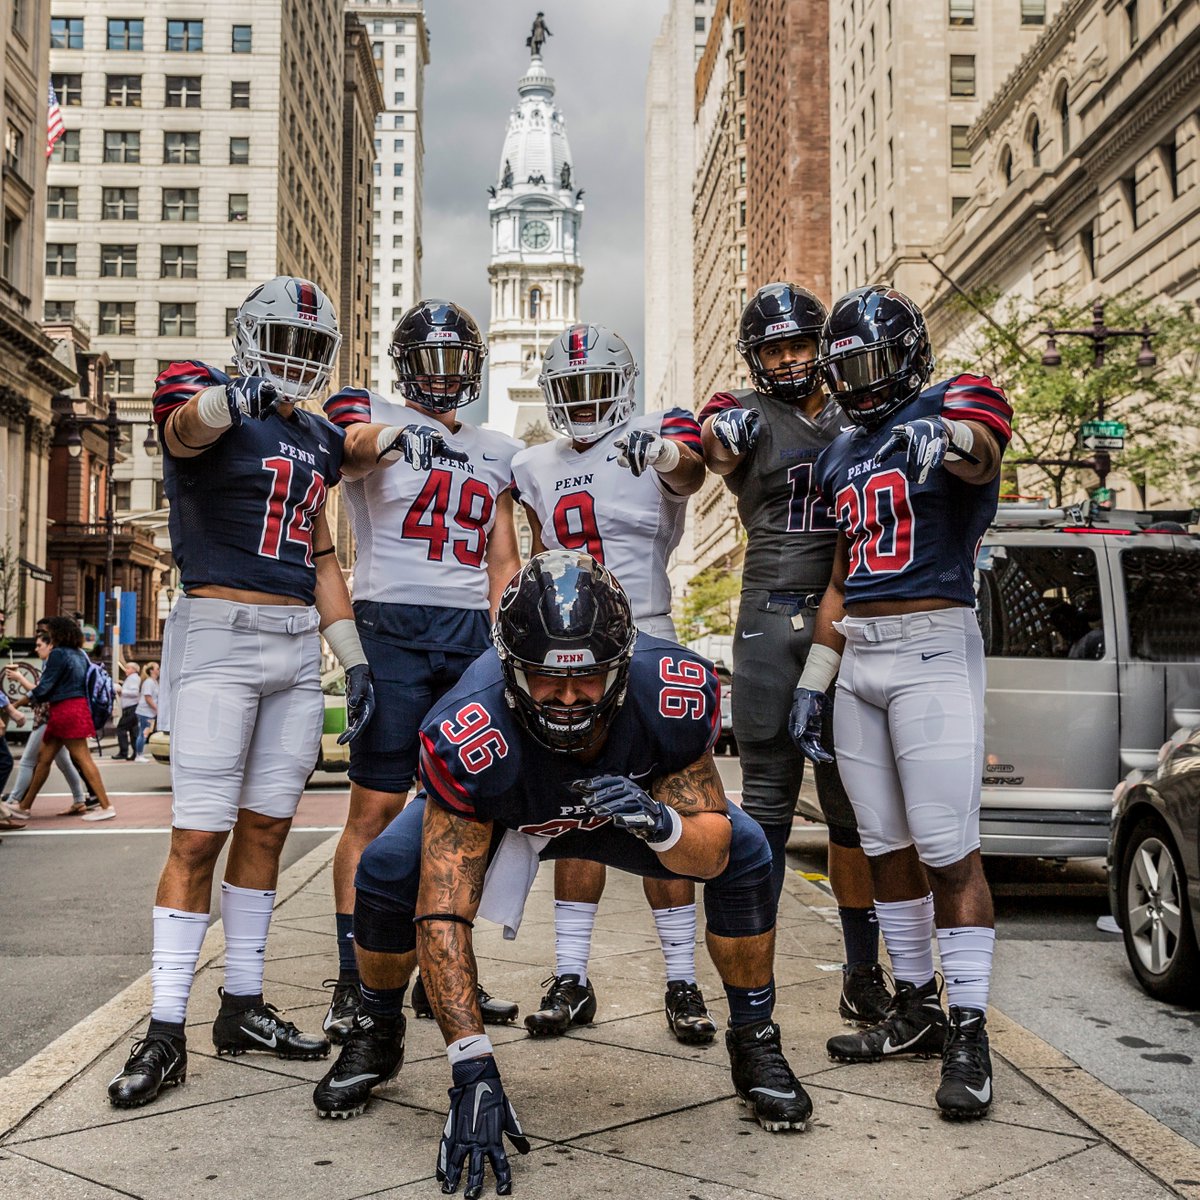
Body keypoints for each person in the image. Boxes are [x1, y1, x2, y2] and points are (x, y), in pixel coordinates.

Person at [312, 552, 813, 1194]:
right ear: (511, 667)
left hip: (623, 811)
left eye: (588, 678)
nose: (570, 698)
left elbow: (711, 855)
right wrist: (471, 1064)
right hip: (510, 810)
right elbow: (443, 913)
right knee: (386, 871)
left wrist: (663, 824)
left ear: (622, 666)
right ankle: (377, 1030)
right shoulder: (469, 726)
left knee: (746, 852)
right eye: (547, 679)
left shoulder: (672, 691)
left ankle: (755, 1037)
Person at [106, 275, 376, 1109]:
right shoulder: (203, 388)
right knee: (197, 837)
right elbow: (183, 432)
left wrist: (353, 658)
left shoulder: (320, 437)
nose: (295, 359)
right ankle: (164, 1029)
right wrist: (232, 400)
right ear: (250, 336)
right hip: (219, 635)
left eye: (310, 346)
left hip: (296, 645)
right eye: (283, 340)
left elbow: (320, 554)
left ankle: (242, 1005)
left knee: (268, 828)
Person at [790, 283, 1012, 1120]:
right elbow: (842, 577)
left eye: (873, 363)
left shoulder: (952, 402)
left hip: (932, 646)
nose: (859, 382)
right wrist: (815, 680)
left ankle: (970, 1029)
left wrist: (947, 435)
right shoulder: (841, 452)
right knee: (883, 846)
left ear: (911, 356)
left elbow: (984, 453)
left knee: (949, 851)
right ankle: (916, 1005)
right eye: (846, 368)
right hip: (862, 660)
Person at [318, 298, 523, 1041]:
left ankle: (445, 971)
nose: (440, 375)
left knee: (465, 811)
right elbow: (347, 452)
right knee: (373, 810)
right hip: (389, 624)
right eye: (428, 361)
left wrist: (508, 650)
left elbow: (503, 561)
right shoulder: (367, 409)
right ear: (405, 366)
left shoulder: (498, 449)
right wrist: (397, 436)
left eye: (453, 362)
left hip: (469, 634)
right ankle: (355, 979)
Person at [510, 323, 717, 1044]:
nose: (584, 400)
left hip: (650, 635)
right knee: (576, 809)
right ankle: (571, 976)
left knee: (671, 805)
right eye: (569, 388)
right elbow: (541, 555)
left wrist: (661, 453)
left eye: (596, 385)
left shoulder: (659, 430)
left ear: (623, 386)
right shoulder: (533, 464)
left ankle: (682, 979)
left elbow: (691, 472)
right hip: (570, 653)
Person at [698, 282, 893, 1025]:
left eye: (798, 344)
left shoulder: (858, 404)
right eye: (773, 348)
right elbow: (712, 446)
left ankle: (862, 970)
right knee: (768, 803)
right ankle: (756, 978)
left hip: (851, 613)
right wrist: (716, 429)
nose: (786, 358)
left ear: (821, 346)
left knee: (849, 808)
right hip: (770, 614)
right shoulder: (747, 414)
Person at [4, 617, 115, 821]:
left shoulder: (58, 654)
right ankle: (24, 806)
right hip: (75, 709)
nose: (48, 635)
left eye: (50, 631)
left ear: (58, 633)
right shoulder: (79, 654)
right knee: (44, 759)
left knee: (82, 758)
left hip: (65, 710)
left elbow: (44, 688)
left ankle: (106, 806)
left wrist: (15, 705)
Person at [114, 660, 141, 760]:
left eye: (128, 668)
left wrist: (121, 691)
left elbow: (135, 693)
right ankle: (135, 752)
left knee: (121, 729)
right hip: (132, 708)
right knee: (133, 731)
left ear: (134, 669)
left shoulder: (133, 678)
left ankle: (123, 752)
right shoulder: (132, 678)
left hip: (131, 708)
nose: (126, 670)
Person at [134, 662, 159, 761]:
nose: (159, 670)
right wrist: (157, 709)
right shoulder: (149, 682)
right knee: (143, 733)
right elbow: (148, 697)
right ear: (151, 670)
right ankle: (139, 755)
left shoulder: (154, 682)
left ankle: (139, 754)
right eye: (157, 668)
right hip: (145, 712)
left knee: (145, 733)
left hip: (149, 712)